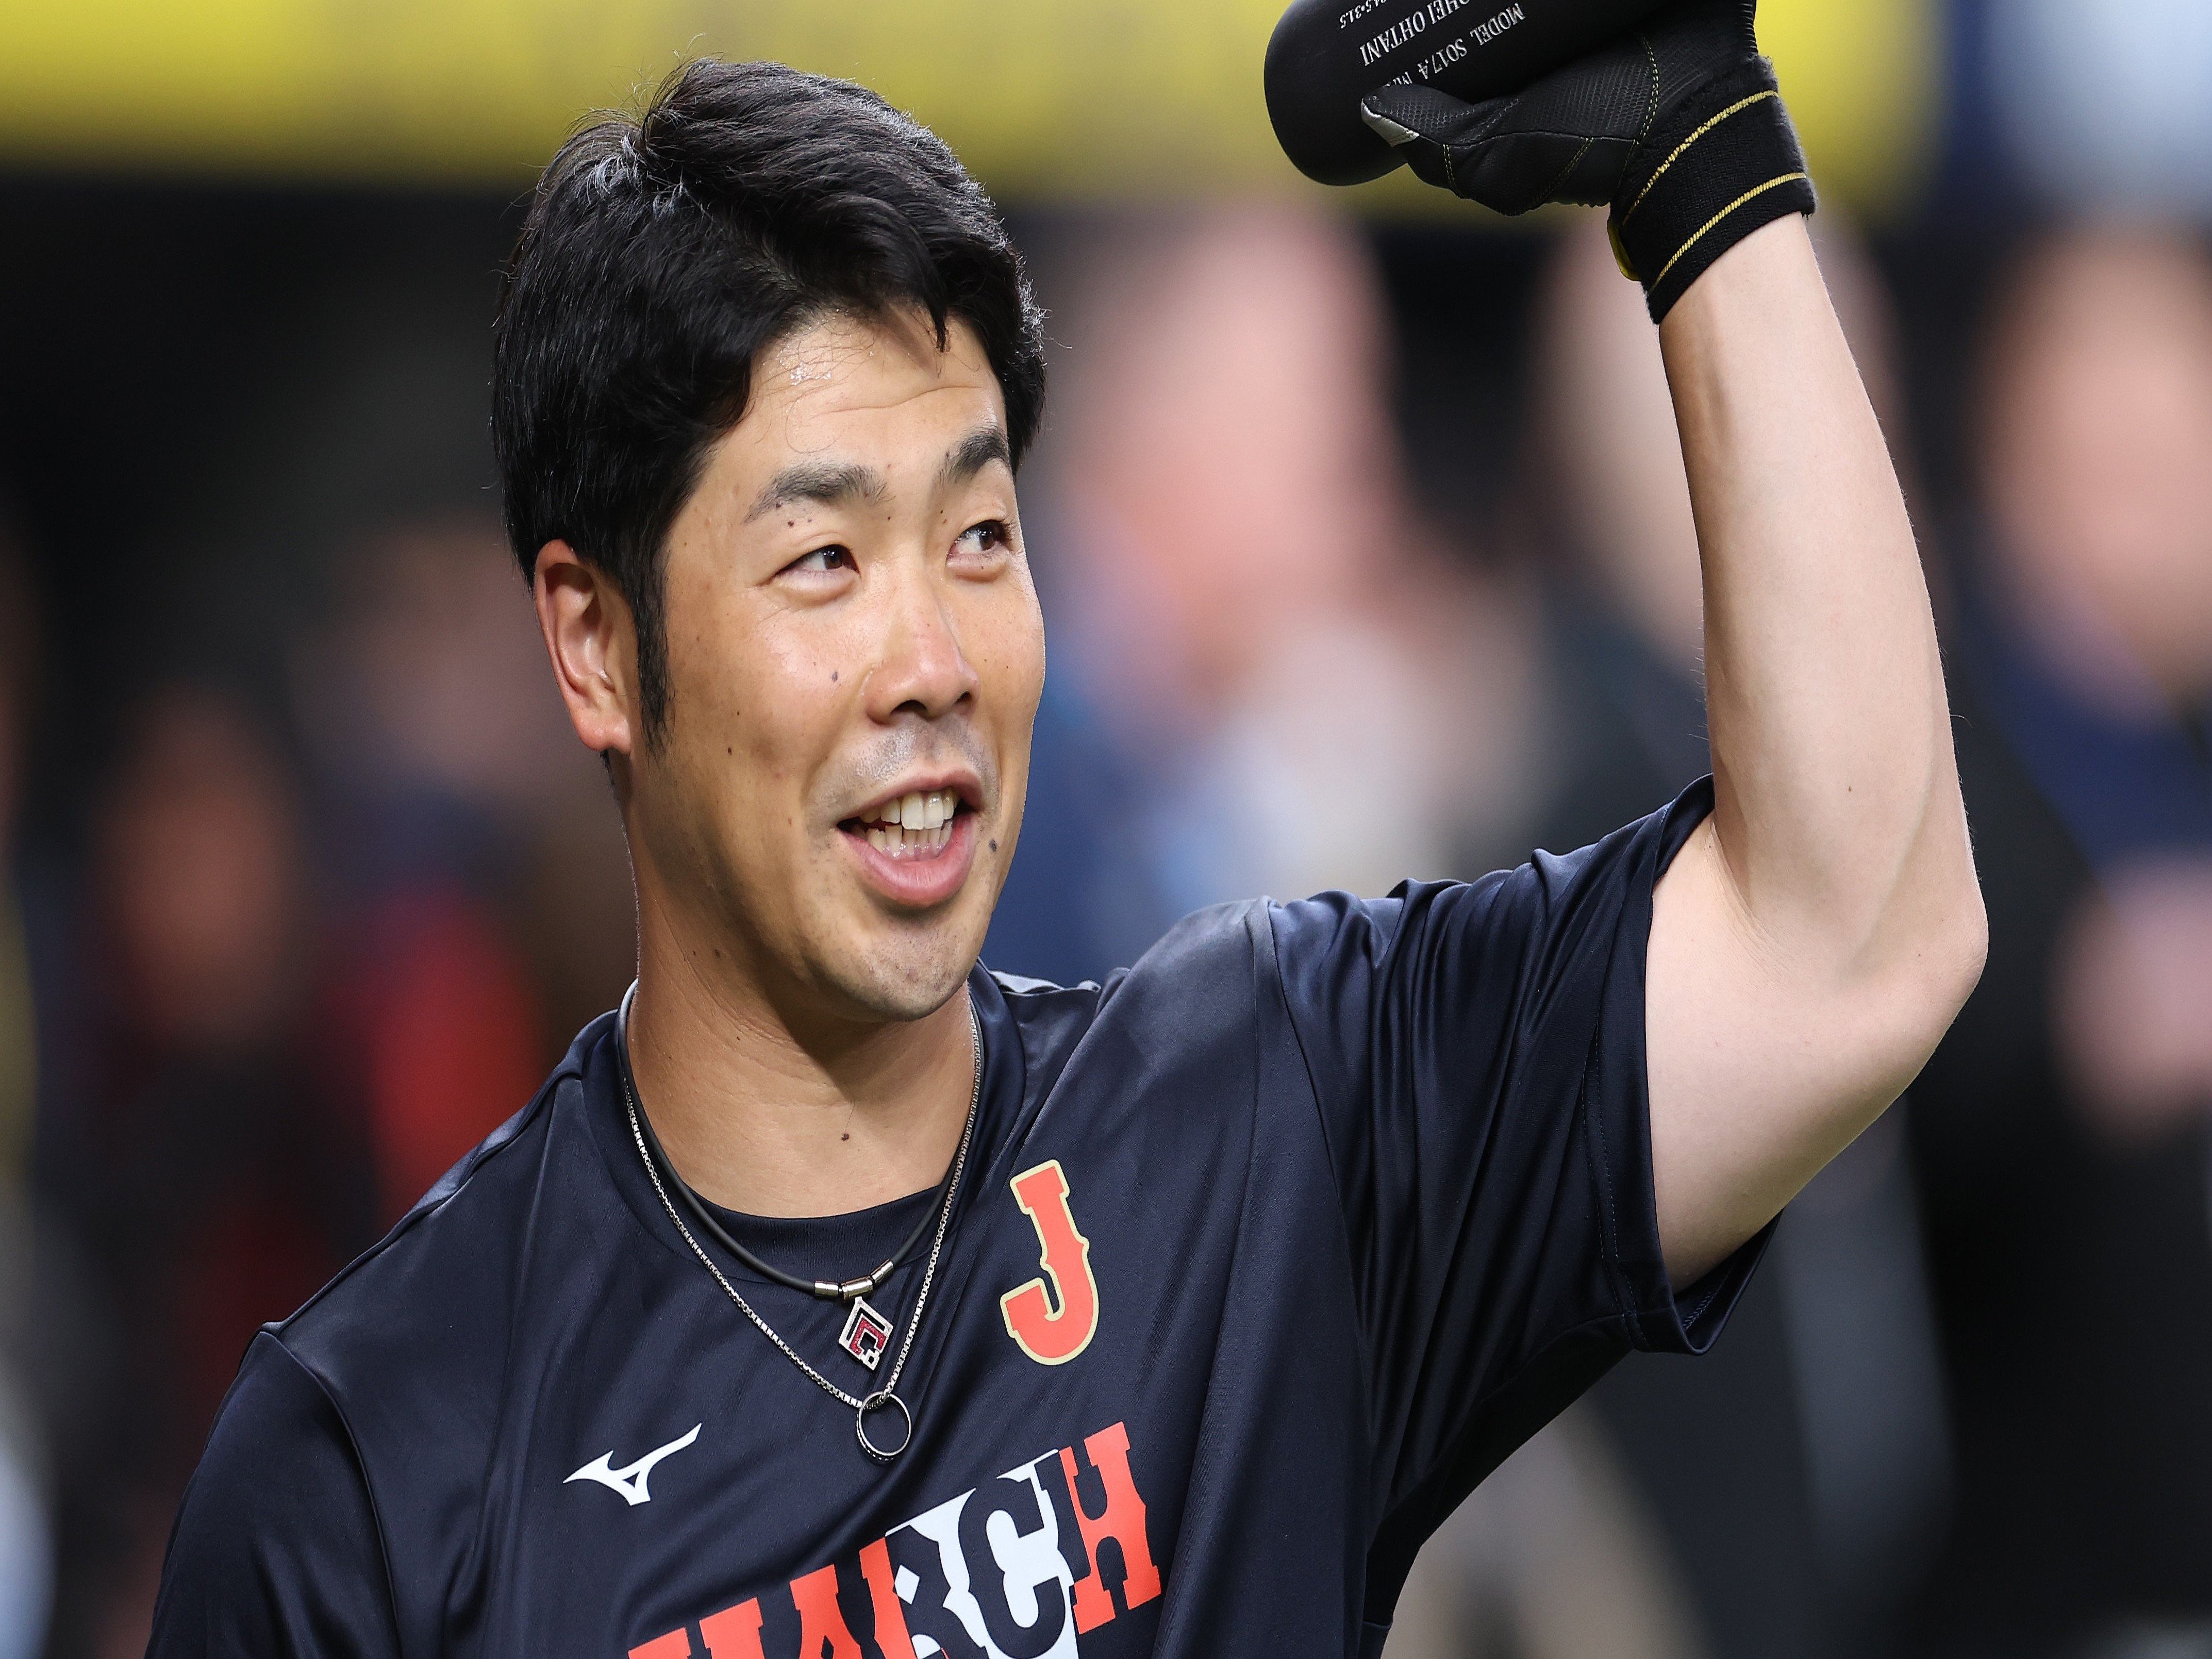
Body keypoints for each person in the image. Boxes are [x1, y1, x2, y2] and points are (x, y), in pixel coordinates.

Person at [146, 7, 1987, 1655]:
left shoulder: (1268, 1119)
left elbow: (1851, 943)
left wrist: (1702, 160)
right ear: (595, 643)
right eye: (822, 560)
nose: (931, 659)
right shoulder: (375, 1452)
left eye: (978, 535)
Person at [1902, 224, 2212, 1658]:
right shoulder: (1943, 745)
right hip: (2031, 1577)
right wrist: (2078, 1015)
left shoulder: (2178, 748)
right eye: (2129, 465)